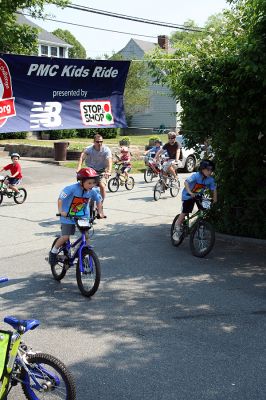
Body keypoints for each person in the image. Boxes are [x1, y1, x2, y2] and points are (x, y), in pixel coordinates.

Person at [49, 167, 104, 267]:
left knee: (86, 236)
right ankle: (53, 252)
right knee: (65, 237)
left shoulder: (92, 191)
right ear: (81, 181)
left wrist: (100, 212)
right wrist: (61, 211)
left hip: (83, 217)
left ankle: (86, 255)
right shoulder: (71, 188)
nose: (92, 185)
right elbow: (60, 199)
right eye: (89, 183)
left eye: (94, 183)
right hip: (68, 216)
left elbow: (99, 200)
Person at [172, 159, 217, 240]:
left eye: (211, 170)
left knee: (203, 210)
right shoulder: (196, 176)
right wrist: (190, 192)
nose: (210, 172)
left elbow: (214, 189)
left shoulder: (210, 179)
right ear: (202, 169)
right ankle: (177, 229)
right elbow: (186, 183)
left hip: (198, 195)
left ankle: (201, 228)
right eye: (208, 170)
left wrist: (214, 198)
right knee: (185, 211)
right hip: (188, 195)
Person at [77, 134, 112, 202]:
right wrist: (79, 168)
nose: (99, 143)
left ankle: (101, 203)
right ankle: (82, 201)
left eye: (101, 141)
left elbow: (109, 161)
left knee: (101, 185)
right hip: (90, 171)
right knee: (82, 184)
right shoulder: (89, 149)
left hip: (101, 171)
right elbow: (82, 158)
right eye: (97, 142)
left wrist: (109, 171)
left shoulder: (106, 150)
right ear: (94, 142)